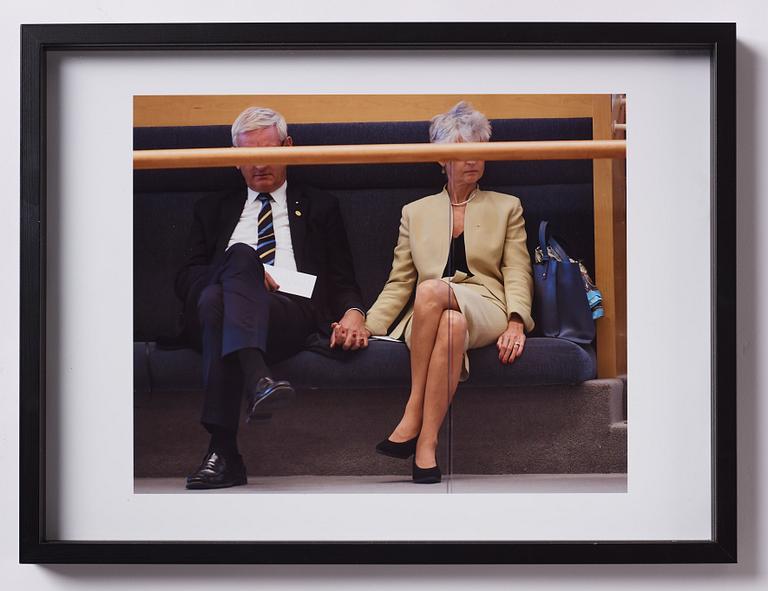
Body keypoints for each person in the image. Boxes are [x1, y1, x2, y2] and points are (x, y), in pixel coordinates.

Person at [176, 106, 366, 489]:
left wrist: (355, 312)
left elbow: (342, 278)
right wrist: (240, 272)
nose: (259, 165)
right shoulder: (211, 209)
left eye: (269, 152)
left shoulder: (320, 206)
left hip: (290, 310)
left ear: (289, 147)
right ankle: (258, 378)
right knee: (230, 277)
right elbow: (186, 279)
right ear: (234, 160)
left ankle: (222, 451)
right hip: (214, 305)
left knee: (221, 298)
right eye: (248, 156)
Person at [361, 102, 534, 484]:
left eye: (479, 150)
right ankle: (426, 445)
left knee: (433, 291)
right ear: (441, 158)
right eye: (460, 151)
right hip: (429, 317)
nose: (472, 160)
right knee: (448, 319)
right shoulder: (415, 212)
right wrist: (367, 326)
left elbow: (517, 270)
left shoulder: (508, 207)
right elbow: (398, 282)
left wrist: (517, 321)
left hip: (487, 305)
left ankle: (411, 411)